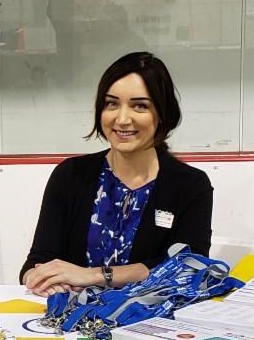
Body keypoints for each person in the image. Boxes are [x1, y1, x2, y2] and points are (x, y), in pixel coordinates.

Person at [21, 52, 213, 296]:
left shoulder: (190, 185)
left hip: (148, 315)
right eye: (111, 104)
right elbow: (38, 261)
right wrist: (40, 279)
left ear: (163, 113)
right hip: (72, 311)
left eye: (140, 106)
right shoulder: (71, 175)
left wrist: (96, 276)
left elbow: (189, 269)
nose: (122, 119)